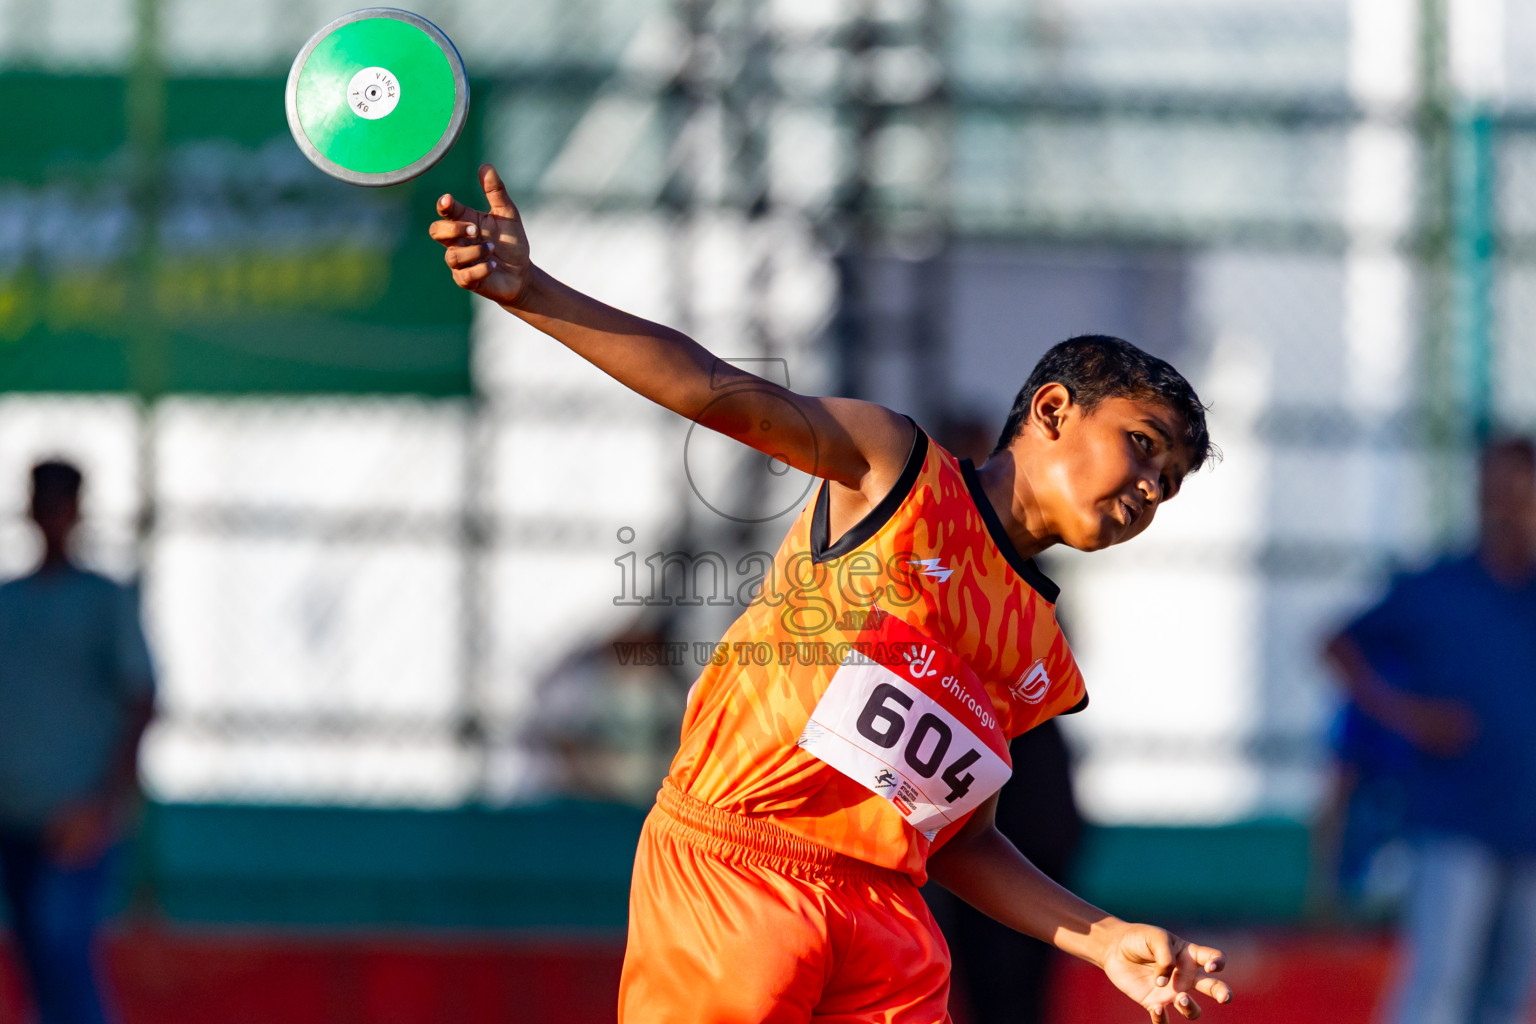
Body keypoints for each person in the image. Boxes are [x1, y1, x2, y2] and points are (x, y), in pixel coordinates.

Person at [432, 165, 1234, 1024]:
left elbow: (963, 839)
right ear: (1050, 409)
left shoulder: (1039, 649)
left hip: (887, 918)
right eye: (1142, 446)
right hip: (737, 876)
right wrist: (532, 292)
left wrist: (1104, 937)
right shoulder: (894, 468)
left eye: (1172, 483)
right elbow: (707, 386)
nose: (1152, 487)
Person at [1326, 438, 1536, 1024]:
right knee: (1438, 989)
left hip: (1529, 828)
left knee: (1505, 999)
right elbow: (1338, 644)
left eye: (1522, 489)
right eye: (1498, 488)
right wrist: (1405, 714)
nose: (1509, 504)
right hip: (1453, 824)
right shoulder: (1439, 587)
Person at [0, 460, 157, 1024]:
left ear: (78, 511)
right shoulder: (9, 602)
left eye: (62, 502)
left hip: (76, 821)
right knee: (36, 962)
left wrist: (102, 805)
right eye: (42, 500)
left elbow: (143, 702)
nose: (52, 515)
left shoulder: (104, 602)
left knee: (62, 943)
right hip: (11, 818)